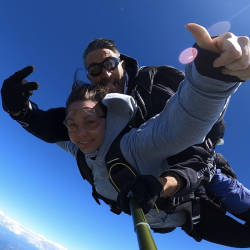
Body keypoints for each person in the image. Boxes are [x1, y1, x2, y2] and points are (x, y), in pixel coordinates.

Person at [56, 81, 250, 247]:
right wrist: (26, 114)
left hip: (199, 185)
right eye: (72, 125)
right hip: (188, 218)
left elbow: (185, 122)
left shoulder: (134, 144)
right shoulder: (81, 152)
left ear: (109, 119)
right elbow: (53, 136)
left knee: (218, 183)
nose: (80, 133)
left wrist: (214, 79)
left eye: (90, 122)